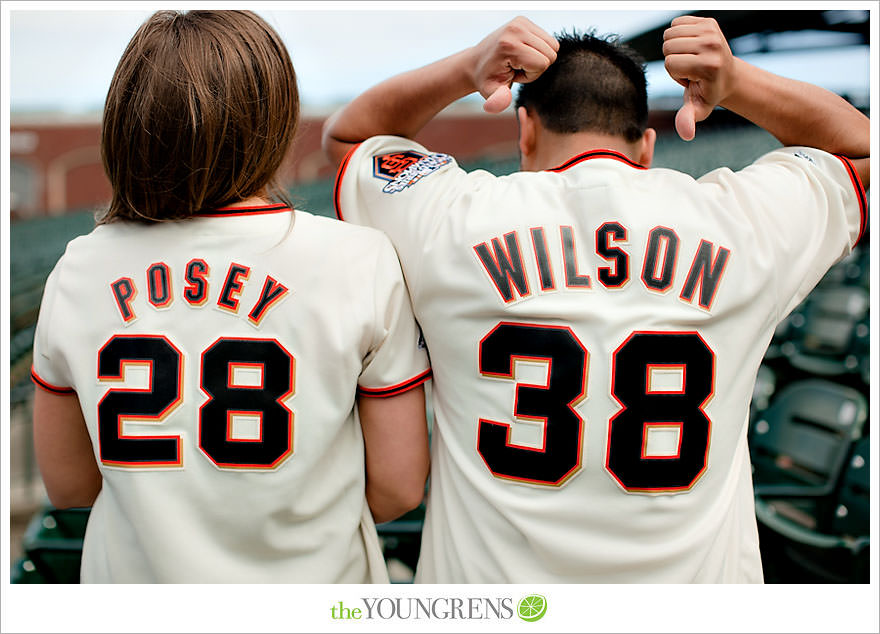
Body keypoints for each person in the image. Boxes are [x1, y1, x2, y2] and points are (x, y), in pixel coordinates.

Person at [322, 15, 868, 582]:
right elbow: (862, 148)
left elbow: (349, 140)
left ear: (525, 129)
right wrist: (734, 82)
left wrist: (468, 68)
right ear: (648, 144)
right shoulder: (736, 220)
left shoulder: (455, 217)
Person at [31, 10, 431, 583]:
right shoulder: (358, 256)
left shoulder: (80, 265)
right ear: (274, 118)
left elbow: (69, 484)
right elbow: (397, 487)